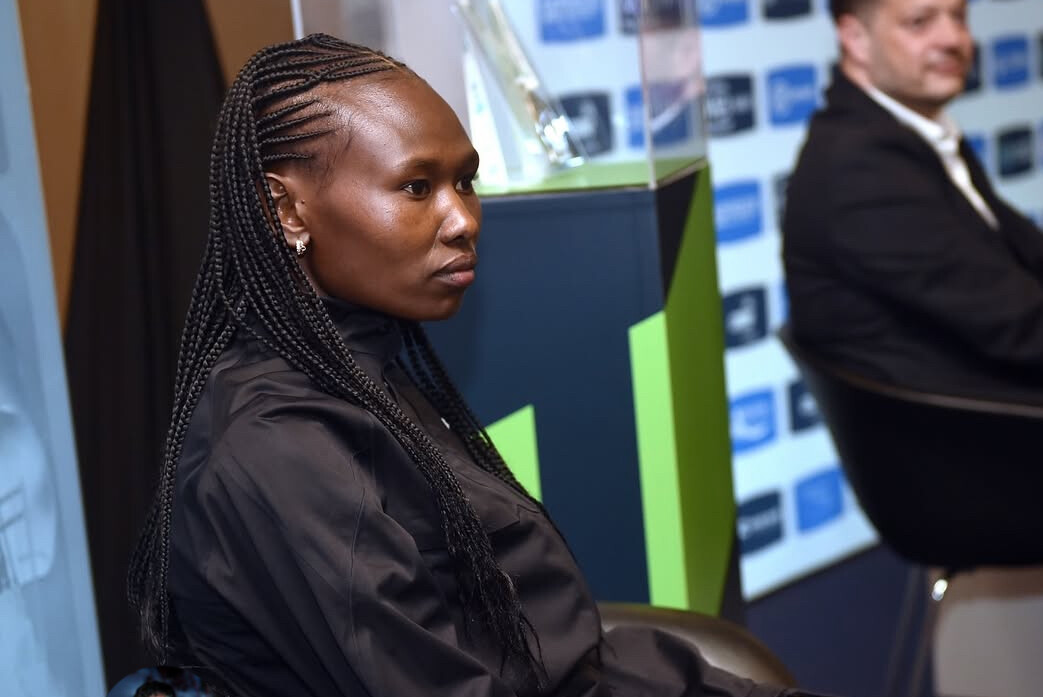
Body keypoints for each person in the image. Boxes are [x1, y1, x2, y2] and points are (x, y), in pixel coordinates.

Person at [129, 35, 817, 697]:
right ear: (285, 209)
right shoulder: (280, 448)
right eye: (416, 187)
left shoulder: (359, 369)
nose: (462, 220)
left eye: (466, 182)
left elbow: (561, 660)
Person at [783, 0, 1043, 405]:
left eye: (958, 17)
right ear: (855, 38)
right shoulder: (861, 168)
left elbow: (1024, 257)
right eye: (920, 22)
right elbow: (1017, 325)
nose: (953, 38)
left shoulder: (911, 134)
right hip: (985, 426)